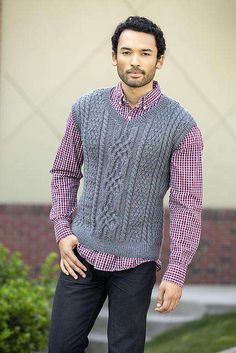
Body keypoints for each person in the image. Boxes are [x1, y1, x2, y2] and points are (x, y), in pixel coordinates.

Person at [48, 15, 203, 353]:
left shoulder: (182, 126)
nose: (135, 61)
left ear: (159, 60)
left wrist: (176, 271)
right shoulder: (85, 108)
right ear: (114, 55)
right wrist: (62, 230)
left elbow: (186, 203)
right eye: (127, 51)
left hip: (136, 264)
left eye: (145, 53)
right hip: (81, 255)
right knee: (61, 346)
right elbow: (64, 172)